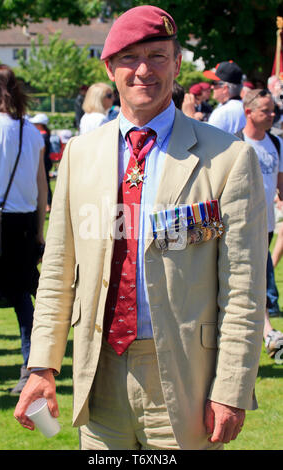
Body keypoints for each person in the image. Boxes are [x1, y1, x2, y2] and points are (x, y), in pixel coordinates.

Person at [14, 6, 267, 450]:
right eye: (130, 58)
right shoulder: (79, 154)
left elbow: (243, 287)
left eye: (157, 55)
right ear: (110, 67)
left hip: (186, 377)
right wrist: (41, 367)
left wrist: (231, 387)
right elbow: (56, 273)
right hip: (99, 375)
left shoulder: (228, 158)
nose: (143, 70)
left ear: (177, 63)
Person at [0, 65, 47, 393]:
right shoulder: (31, 131)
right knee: (24, 299)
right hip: (23, 223)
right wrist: (39, 230)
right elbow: (41, 185)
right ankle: (29, 367)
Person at [237, 88, 283, 355]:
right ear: (248, 113)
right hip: (240, 229)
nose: (272, 115)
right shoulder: (236, 143)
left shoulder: (276, 143)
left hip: (265, 228)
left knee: (258, 283)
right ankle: (267, 334)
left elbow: (279, 185)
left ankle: (266, 335)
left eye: (273, 110)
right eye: (266, 110)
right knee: (253, 283)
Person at [203, 61, 246, 134]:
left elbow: (208, 141)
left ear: (225, 88)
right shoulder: (245, 107)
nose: (212, 87)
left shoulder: (222, 112)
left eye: (214, 83)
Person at [30, 113, 52, 213]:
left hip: (43, 163)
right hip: (45, 162)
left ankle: (47, 204)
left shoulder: (42, 136)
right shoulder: (44, 135)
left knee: (44, 183)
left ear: (40, 124)